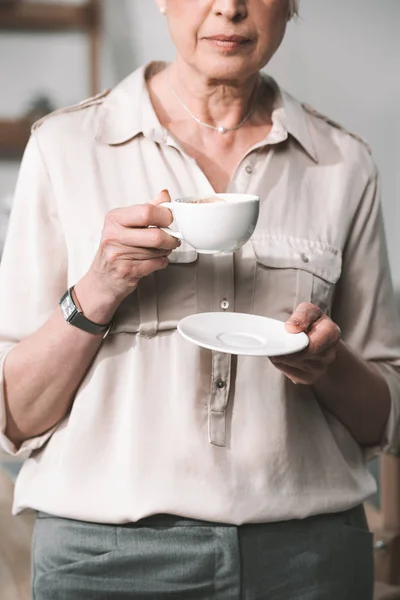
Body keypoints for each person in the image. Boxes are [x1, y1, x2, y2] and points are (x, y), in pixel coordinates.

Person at [0, 0, 399, 598]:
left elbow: (382, 416)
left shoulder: (344, 164)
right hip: (106, 561)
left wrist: (326, 363)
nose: (229, 8)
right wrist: (98, 288)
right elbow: (15, 415)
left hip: (307, 559)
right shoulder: (66, 146)